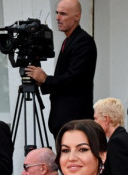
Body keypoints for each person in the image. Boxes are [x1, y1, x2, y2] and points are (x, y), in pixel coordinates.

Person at [26, 0, 97, 136]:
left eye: (63, 14)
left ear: (77, 16)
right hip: (65, 121)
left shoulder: (83, 41)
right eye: (57, 13)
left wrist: (46, 79)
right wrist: (42, 81)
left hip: (74, 121)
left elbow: (74, 79)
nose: (57, 17)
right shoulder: (68, 40)